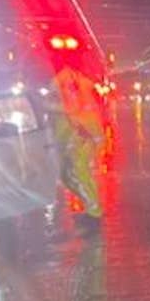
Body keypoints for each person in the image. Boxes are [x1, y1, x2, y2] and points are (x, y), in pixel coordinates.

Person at [44, 35, 105, 237]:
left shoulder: (66, 79)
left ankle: (94, 215)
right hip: (74, 134)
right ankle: (90, 208)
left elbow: (70, 107)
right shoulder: (70, 78)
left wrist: (44, 105)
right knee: (69, 176)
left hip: (78, 134)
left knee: (78, 174)